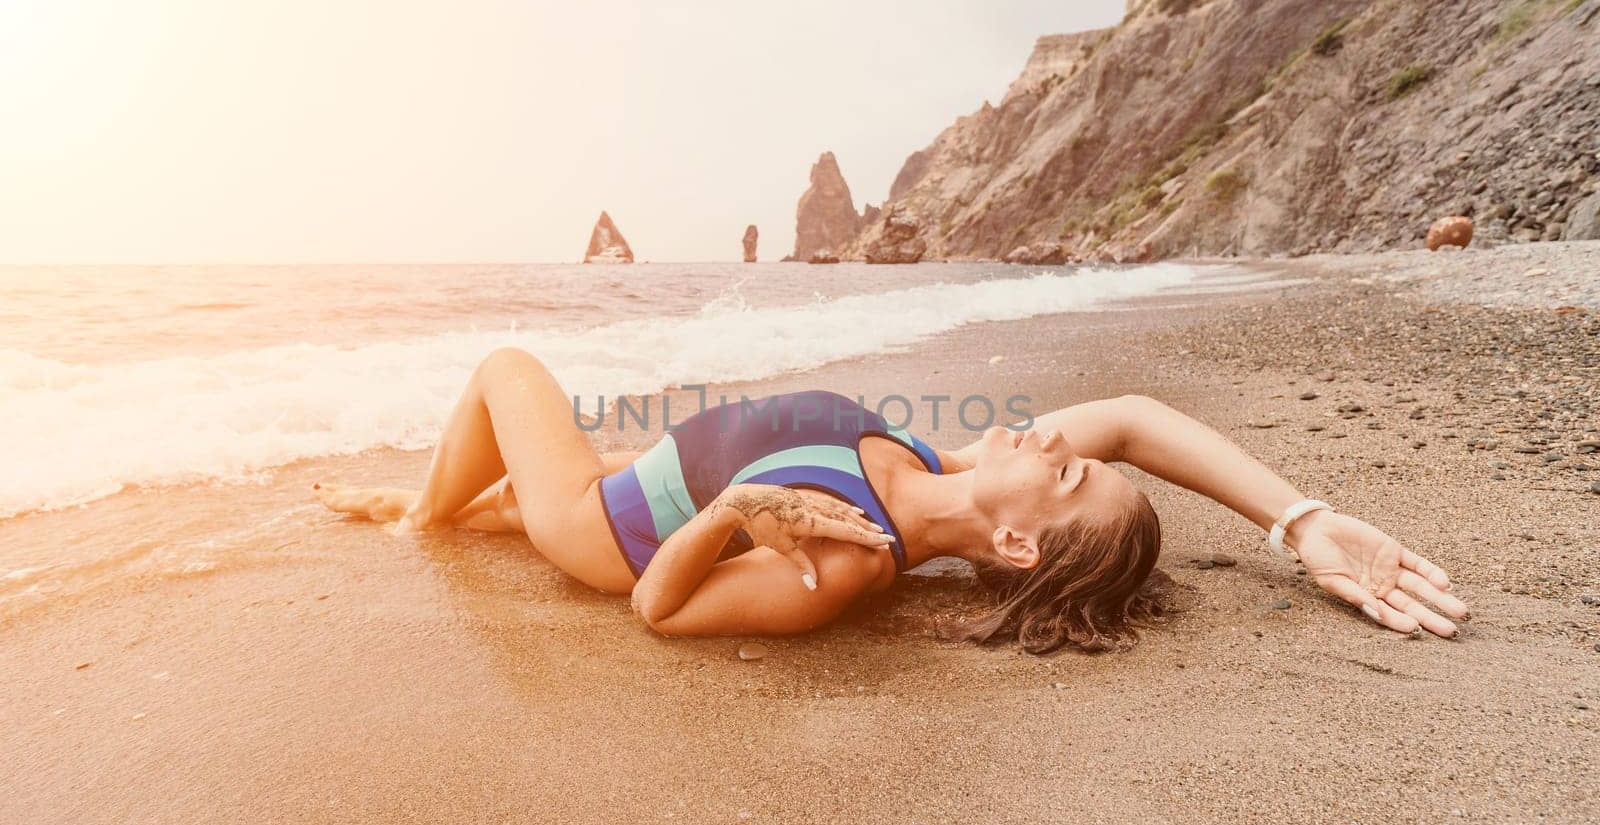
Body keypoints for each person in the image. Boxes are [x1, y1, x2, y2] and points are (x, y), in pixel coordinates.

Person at [315, 347, 1469, 653]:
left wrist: (734, 518)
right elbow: (1135, 416)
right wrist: (1302, 520)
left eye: (1063, 468)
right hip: (654, 473)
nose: (1052, 435)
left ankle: (425, 520)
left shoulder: (854, 558)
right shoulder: (950, 461)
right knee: (503, 472)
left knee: (505, 371)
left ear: (1016, 540)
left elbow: (660, 610)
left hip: (603, 524)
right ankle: (470, 508)